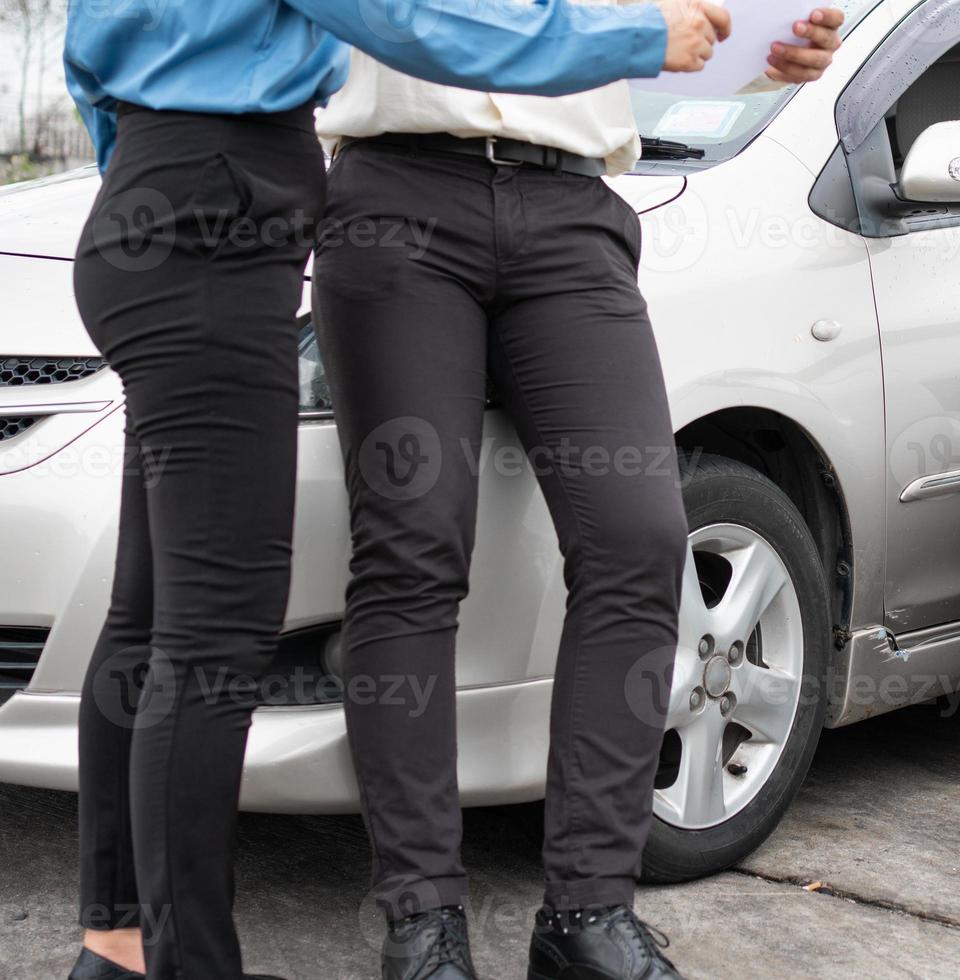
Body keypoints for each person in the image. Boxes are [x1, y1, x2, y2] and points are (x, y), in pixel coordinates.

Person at [63, 2, 728, 978]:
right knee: (214, 631)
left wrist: (154, 168)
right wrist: (634, 41)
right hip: (253, 211)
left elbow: (96, 73)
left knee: (156, 610)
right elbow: (406, 17)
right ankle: (251, 948)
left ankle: (117, 946)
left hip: (176, 199)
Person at [309, 9, 846, 979]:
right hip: (401, 195)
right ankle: (422, 920)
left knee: (641, 539)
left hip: (572, 208)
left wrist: (766, 62)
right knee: (413, 548)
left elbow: (671, 32)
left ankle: (587, 911)